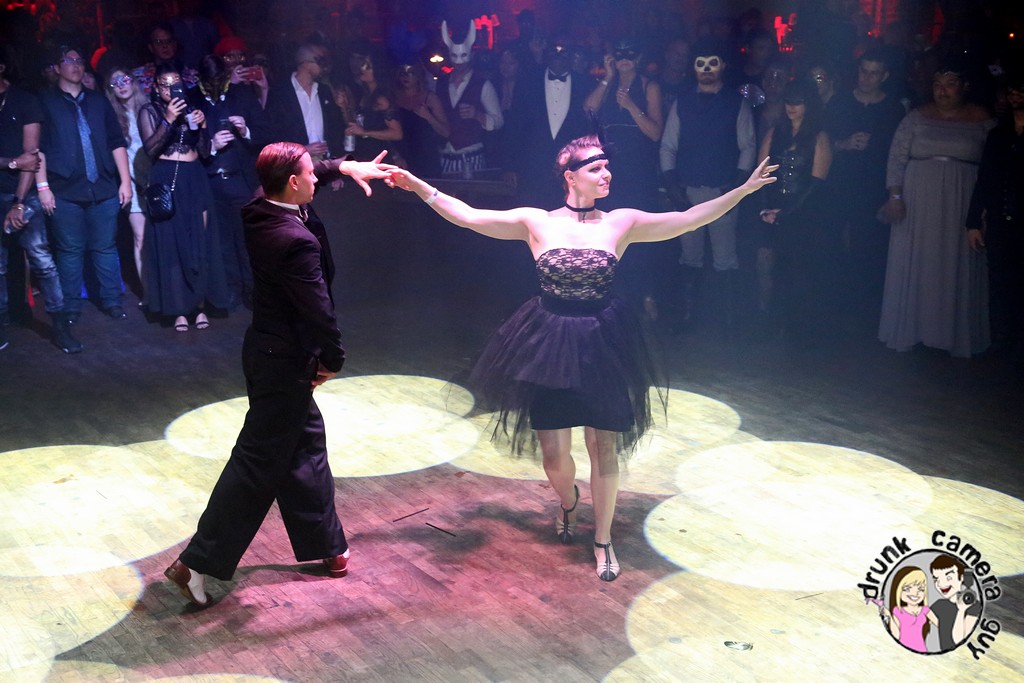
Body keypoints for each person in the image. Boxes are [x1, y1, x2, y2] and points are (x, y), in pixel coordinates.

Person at [384, 134, 777, 581]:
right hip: (549, 340)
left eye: (607, 166)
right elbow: (469, 216)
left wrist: (742, 190)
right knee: (554, 454)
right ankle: (569, 501)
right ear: (570, 177)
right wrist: (417, 184)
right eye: (595, 168)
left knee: (603, 446)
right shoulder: (535, 221)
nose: (606, 174)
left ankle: (603, 538)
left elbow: (688, 219)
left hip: (602, 342)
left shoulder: (622, 222)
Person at [164, 143, 396, 607]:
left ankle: (328, 545)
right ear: (292, 182)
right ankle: (196, 562)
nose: (316, 179)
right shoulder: (294, 241)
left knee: (305, 445)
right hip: (286, 362)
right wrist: (334, 360)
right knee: (257, 463)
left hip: (266, 351)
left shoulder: (259, 208)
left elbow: (311, 170)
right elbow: (319, 311)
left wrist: (343, 166)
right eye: (310, 174)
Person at [878, 62, 995, 357]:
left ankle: (953, 335)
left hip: (961, 201)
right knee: (919, 259)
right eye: (937, 85)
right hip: (918, 202)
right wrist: (895, 196)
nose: (942, 91)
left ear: (964, 86)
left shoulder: (982, 119)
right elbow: (897, 157)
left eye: (950, 84)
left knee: (956, 261)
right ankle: (913, 330)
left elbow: (995, 164)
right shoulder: (917, 117)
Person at [659, 37, 755, 334]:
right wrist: (672, 188)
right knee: (690, 258)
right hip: (688, 192)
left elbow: (748, 147)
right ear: (694, 68)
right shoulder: (682, 102)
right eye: (701, 64)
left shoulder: (736, 103)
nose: (706, 69)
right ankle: (689, 319)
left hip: (722, 191)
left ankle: (728, 324)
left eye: (712, 63)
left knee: (725, 259)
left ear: (722, 66)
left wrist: (735, 189)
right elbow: (667, 146)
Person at [37, 46, 133, 329]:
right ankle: (70, 306)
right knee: (70, 251)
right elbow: (37, 148)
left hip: (103, 186)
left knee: (105, 247)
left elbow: (116, 141)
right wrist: (42, 186)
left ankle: (112, 301)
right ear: (57, 68)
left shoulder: (97, 101)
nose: (75, 65)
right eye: (68, 60)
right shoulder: (45, 102)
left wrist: (125, 181)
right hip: (65, 189)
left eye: (79, 60)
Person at [0, 53, 81, 354]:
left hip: (23, 194)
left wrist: (19, 202)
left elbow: (31, 158)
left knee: (41, 258)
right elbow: (19, 161)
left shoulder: (24, 101)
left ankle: (60, 326)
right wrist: (11, 163)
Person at [138, 65, 227, 331]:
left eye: (175, 83)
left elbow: (205, 151)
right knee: (172, 245)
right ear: (156, 88)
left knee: (199, 240)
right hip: (167, 178)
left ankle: (199, 306)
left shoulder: (192, 108)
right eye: (165, 84)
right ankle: (178, 309)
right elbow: (151, 149)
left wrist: (202, 126)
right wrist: (168, 118)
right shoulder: (149, 111)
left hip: (194, 177)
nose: (171, 89)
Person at [758, 79, 833, 342]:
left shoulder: (819, 137)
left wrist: (786, 213)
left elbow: (816, 184)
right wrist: (766, 209)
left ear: (808, 104)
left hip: (803, 215)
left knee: (800, 272)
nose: (791, 106)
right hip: (773, 212)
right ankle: (773, 323)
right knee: (772, 269)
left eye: (798, 102)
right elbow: (761, 173)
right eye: (789, 101)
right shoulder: (774, 133)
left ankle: (799, 331)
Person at [196, 54, 268, 311]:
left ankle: (254, 293)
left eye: (219, 80)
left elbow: (265, 132)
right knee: (221, 242)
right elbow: (186, 141)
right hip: (211, 182)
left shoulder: (242, 95)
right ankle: (230, 293)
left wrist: (246, 131)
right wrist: (211, 146)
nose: (215, 86)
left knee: (248, 240)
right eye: (209, 82)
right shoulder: (194, 99)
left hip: (240, 181)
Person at [966, 69, 1024, 364]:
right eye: (1011, 90)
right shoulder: (999, 135)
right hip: (1001, 219)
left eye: (1020, 89)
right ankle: (1001, 342)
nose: (1014, 95)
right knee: (1000, 283)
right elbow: (985, 178)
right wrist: (973, 221)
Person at [105, 68, 149, 298]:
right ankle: (148, 295)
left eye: (124, 79)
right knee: (140, 237)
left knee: (160, 238)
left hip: (155, 180)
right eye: (115, 82)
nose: (121, 85)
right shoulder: (111, 116)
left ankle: (167, 293)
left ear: (133, 82)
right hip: (130, 182)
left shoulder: (149, 109)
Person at [393, 62, 449, 177]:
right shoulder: (394, 99)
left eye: (411, 72)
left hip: (427, 158)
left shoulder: (430, 98)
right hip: (402, 159)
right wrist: (395, 155)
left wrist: (428, 116)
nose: (406, 76)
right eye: (403, 73)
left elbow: (446, 132)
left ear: (419, 75)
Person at [928, 553, 982, 652]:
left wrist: (961, 610)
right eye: (936, 579)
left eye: (948, 577)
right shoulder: (939, 605)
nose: (941, 584)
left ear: (961, 578)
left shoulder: (973, 606)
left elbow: (959, 641)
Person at [886, 565, 937, 653]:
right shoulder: (897, 611)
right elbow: (896, 636)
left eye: (921, 589)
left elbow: (942, 625)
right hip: (902, 650)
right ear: (898, 590)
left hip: (921, 649)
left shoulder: (925, 610)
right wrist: (889, 616)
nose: (915, 593)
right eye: (907, 589)